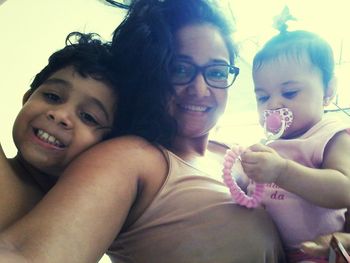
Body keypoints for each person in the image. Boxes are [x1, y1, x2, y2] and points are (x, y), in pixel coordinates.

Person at [0, 0, 287, 262]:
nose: (200, 90)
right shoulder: (130, 157)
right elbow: (26, 254)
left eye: (217, 71)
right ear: (153, 74)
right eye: (179, 69)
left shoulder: (239, 154)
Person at [227, 23, 350, 262]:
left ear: (328, 91)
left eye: (290, 93)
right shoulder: (269, 145)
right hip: (272, 251)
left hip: (319, 252)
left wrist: (282, 172)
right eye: (263, 97)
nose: (273, 105)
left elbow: (345, 189)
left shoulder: (330, 135)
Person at [0, 31, 119, 231]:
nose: (60, 115)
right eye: (53, 96)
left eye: (88, 116)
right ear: (27, 98)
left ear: (108, 148)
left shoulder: (77, 230)